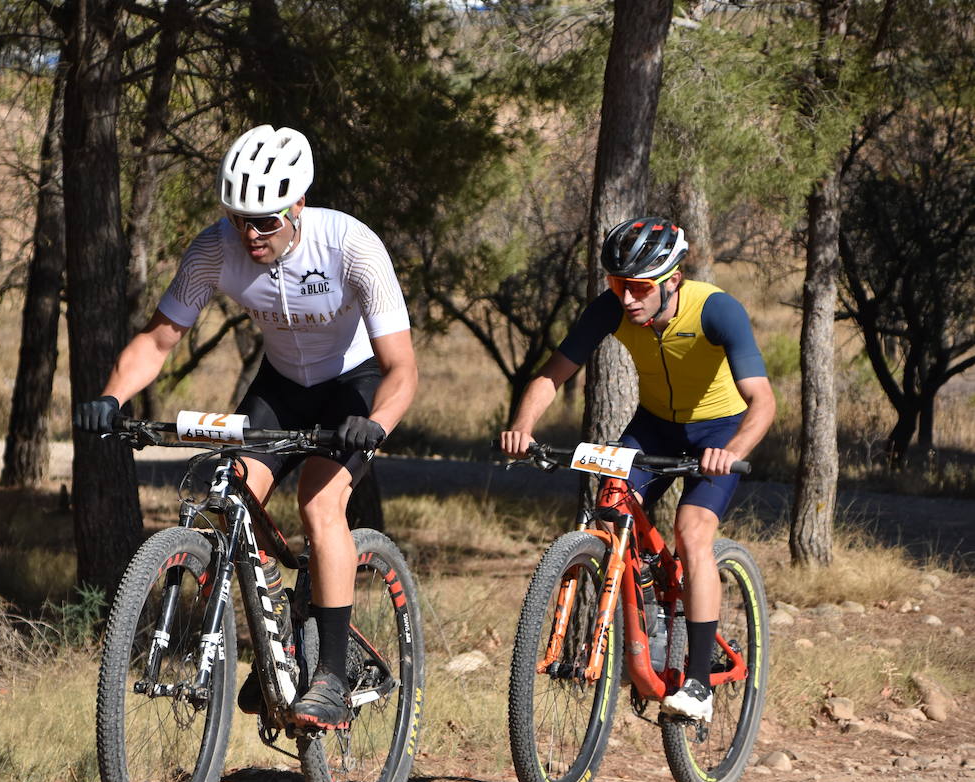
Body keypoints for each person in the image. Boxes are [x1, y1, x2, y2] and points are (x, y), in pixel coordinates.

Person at [74, 125, 418, 729]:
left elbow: (402, 368)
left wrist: (377, 423)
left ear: (298, 206)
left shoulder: (350, 246)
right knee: (231, 493)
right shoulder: (215, 250)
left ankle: (333, 674)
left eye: (265, 222)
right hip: (282, 385)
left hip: (354, 384)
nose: (250, 235)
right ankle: (276, 639)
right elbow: (158, 340)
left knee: (318, 503)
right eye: (238, 219)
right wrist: (110, 396)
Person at [499, 217, 775, 722]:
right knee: (609, 506)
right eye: (616, 284)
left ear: (672, 279)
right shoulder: (612, 308)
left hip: (718, 430)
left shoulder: (717, 310)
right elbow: (553, 373)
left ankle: (695, 681)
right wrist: (522, 425)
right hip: (654, 427)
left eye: (639, 287)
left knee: (692, 533)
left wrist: (730, 448)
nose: (626, 298)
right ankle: (649, 613)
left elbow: (763, 401)